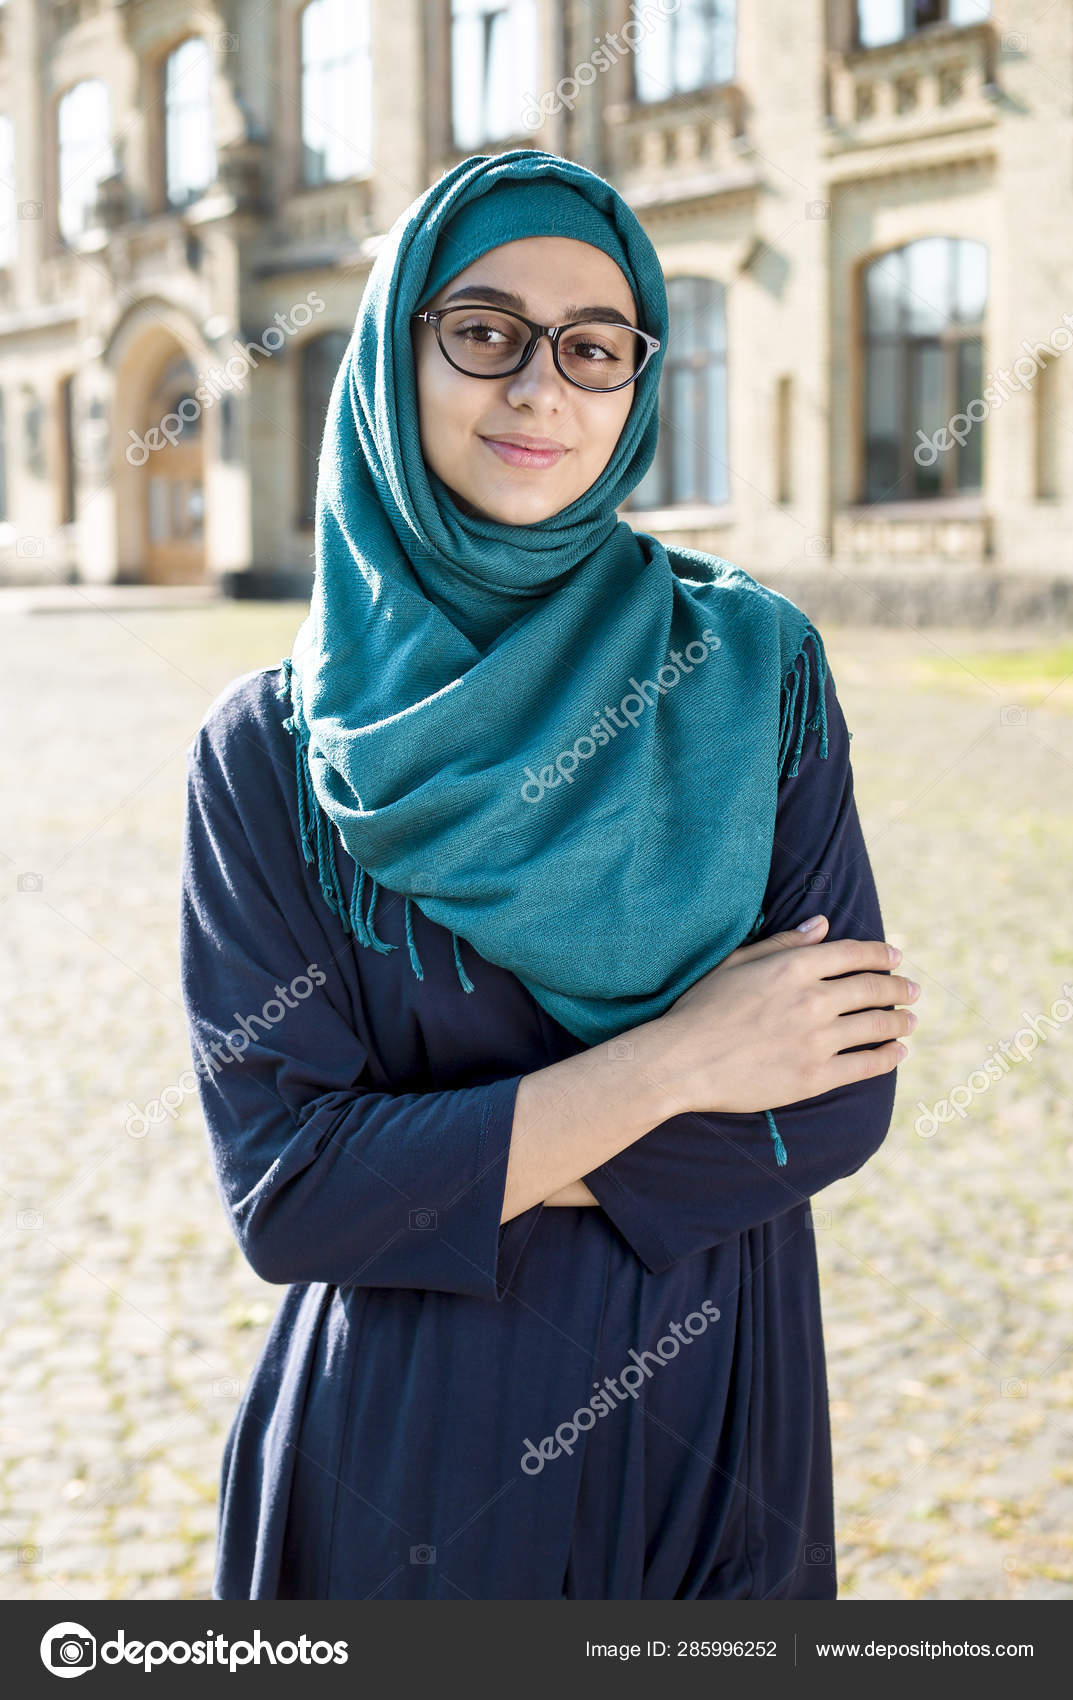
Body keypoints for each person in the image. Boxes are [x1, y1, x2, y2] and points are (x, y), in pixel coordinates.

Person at [178, 149, 918, 1601]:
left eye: (595, 347)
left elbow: (833, 1101)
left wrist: (451, 1155)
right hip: (418, 1447)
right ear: (395, 357)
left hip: (726, 1418)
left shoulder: (749, 667)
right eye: (483, 330)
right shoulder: (267, 749)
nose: (541, 391)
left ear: (638, 380)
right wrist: (688, 1061)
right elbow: (297, 1198)